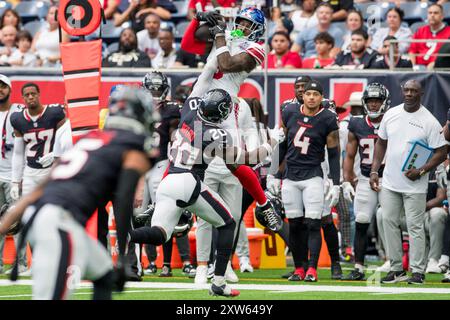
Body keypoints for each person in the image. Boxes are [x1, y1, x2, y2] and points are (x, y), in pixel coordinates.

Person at [0, 85, 158, 300]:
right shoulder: (133, 145)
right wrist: (122, 258)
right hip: (59, 223)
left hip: (44, 216)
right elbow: (123, 200)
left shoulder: (91, 138)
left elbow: (41, 188)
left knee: (103, 274)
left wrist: (6, 222)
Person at [129, 88, 282, 297]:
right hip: (188, 180)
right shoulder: (215, 133)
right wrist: (272, 141)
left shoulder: (189, 115)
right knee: (227, 223)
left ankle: (126, 236)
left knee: (161, 235)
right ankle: (219, 281)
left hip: (169, 180)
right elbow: (249, 159)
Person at [182, 7, 268, 285]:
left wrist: (220, 35)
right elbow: (188, 44)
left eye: (247, 22)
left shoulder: (257, 48)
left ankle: (225, 263)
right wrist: (199, 20)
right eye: (239, 20)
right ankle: (200, 263)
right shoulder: (226, 34)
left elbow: (227, 64)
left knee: (232, 177)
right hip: (198, 102)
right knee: (185, 157)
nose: (241, 25)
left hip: (225, 106)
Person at [370, 79, 447, 285]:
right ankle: (396, 268)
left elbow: (441, 152)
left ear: (421, 94)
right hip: (390, 181)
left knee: (415, 226)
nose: (410, 94)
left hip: (415, 184)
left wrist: (422, 170)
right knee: (388, 222)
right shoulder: (391, 114)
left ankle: (418, 271)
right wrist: (375, 170)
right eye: (407, 90)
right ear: (402, 92)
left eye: (414, 91)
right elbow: (381, 143)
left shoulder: (429, 121)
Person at [269, 80, 341, 282]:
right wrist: (274, 173)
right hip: (291, 176)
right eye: (308, 93)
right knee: (294, 224)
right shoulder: (290, 111)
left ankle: (312, 268)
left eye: (315, 94)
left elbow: (334, 153)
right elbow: (282, 147)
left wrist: (335, 182)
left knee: (313, 223)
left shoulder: (328, 118)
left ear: (321, 97)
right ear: (303, 95)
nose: (310, 97)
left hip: (313, 175)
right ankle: (299, 268)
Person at [140, 71, 195, 277]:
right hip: (140, 165)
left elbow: (176, 137)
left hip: (161, 163)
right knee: (141, 214)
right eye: (151, 89)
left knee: (165, 212)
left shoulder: (172, 109)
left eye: (157, 89)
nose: (154, 93)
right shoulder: (137, 110)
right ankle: (151, 261)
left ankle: (171, 262)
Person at [341, 83, 391, 281]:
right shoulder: (356, 123)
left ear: (385, 102)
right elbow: (350, 155)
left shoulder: (392, 121)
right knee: (361, 220)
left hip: (389, 178)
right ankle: (359, 266)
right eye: (370, 101)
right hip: (364, 177)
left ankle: (395, 264)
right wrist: (346, 179)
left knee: (389, 221)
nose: (373, 104)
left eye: (377, 100)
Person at [0, 75, 23, 274]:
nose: (0, 89)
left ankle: (21, 263)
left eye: (3, 86)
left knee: (17, 221)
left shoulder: (19, 112)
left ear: (10, 89)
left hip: (15, 174)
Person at [408, 4, 450, 68]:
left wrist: (434, 64)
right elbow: (412, 51)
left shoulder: (449, 32)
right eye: (430, 13)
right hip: (419, 68)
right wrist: (412, 66)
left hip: (439, 69)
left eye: (436, 13)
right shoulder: (420, 31)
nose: (432, 15)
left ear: (442, 16)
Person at [423, 171, 447, 274]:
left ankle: (433, 260)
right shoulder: (408, 167)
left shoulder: (437, 169)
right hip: (408, 213)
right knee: (381, 213)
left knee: (437, 213)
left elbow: (441, 197)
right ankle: (390, 259)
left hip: (428, 212)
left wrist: (417, 206)